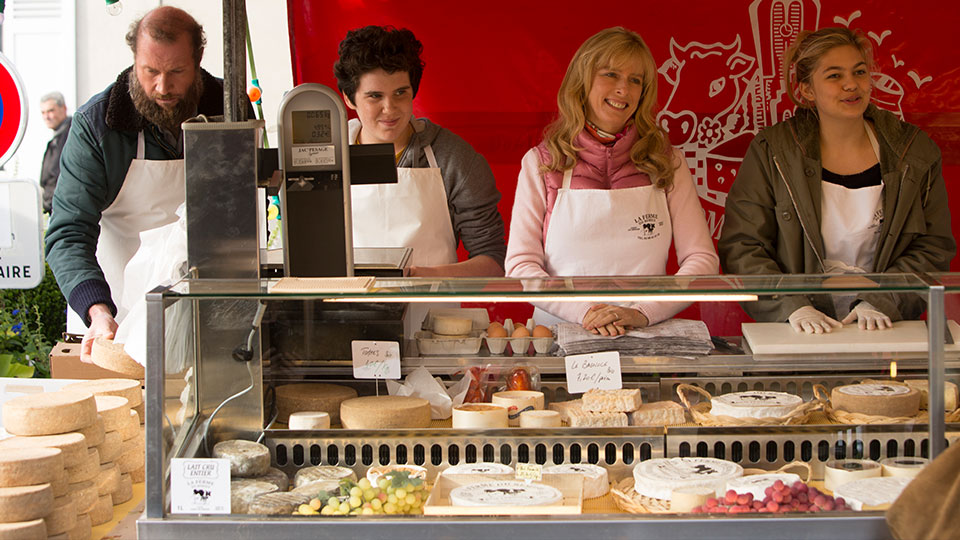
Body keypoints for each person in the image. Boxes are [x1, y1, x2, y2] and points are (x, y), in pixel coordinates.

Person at [719, 27, 955, 334]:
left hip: (887, 330)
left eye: (859, 72)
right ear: (806, 89)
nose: (851, 85)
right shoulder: (772, 151)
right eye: (834, 76)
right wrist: (793, 306)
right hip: (796, 333)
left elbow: (933, 247)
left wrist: (883, 300)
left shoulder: (914, 152)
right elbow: (742, 246)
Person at [504, 27, 719, 336]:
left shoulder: (667, 162)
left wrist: (641, 312)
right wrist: (585, 312)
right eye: (611, 75)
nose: (624, 89)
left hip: (645, 337)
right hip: (559, 336)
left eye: (635, 80)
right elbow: (521, 266)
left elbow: (702, 260)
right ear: (582, 81)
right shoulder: (542, 163)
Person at [44, 6, 229, 362]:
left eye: (177, 71)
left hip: (203, 313)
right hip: (113, 315)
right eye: (150, 71)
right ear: (134, 59)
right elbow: (67, 232)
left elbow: (241, 213)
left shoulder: (227, 107)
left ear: (198, 61)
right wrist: (96, 310)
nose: (163, 86)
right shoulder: (97, 124)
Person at [333, 25, 506, 277]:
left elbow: (491, 262)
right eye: (374, 96)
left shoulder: (455, 159)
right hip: (346, 312)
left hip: (433, 311)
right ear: (349, 99)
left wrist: (426, 278)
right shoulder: (330, 156)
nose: (389, 108)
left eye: (400, 93)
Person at [39, 91, 71, 214]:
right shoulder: (55, 140)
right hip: (53, 209)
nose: (47, 116)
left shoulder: (72, 135)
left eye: (51, 111)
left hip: (65, 209)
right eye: (43, 112)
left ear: (63, 108)